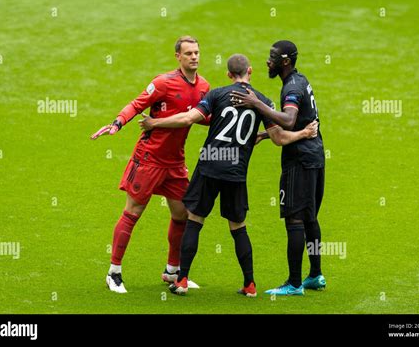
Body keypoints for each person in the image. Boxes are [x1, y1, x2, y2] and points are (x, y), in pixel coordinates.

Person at [140, 54, 318, 297]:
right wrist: (304, 133)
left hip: (210, 163)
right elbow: (279, 139)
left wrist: (155, 123)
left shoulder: (217, 94)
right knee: (238, 227)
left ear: (228, 74)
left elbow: (187, 118)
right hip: (236, 170)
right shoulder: (261, 101)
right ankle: (250, 284)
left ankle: (181, 280)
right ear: (250, 71)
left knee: (194, 219)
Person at [90, 36, 210, 293]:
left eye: (197, 52)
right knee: (133, 212)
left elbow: (202, 116)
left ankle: (172, 271)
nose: (194, 57)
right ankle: (114, 272)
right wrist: (117, 123)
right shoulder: (163, 82)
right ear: (178, 56)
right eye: (188, 53)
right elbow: (137, 104)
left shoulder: (204, 87)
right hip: (149, 159)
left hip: (175, 162)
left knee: (182, 214)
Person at [230, 40, 326, 296]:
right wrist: (264, 134)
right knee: (310, 218)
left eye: (272, 57)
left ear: (285, 62)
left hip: (300, 160)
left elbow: (290, 119)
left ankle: (294, 283)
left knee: (295, 219)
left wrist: (256, 103)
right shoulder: (300, 80)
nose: (267, 61)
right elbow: (300, 121)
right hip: (315, 156)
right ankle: (315, 275)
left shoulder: (291, 87)